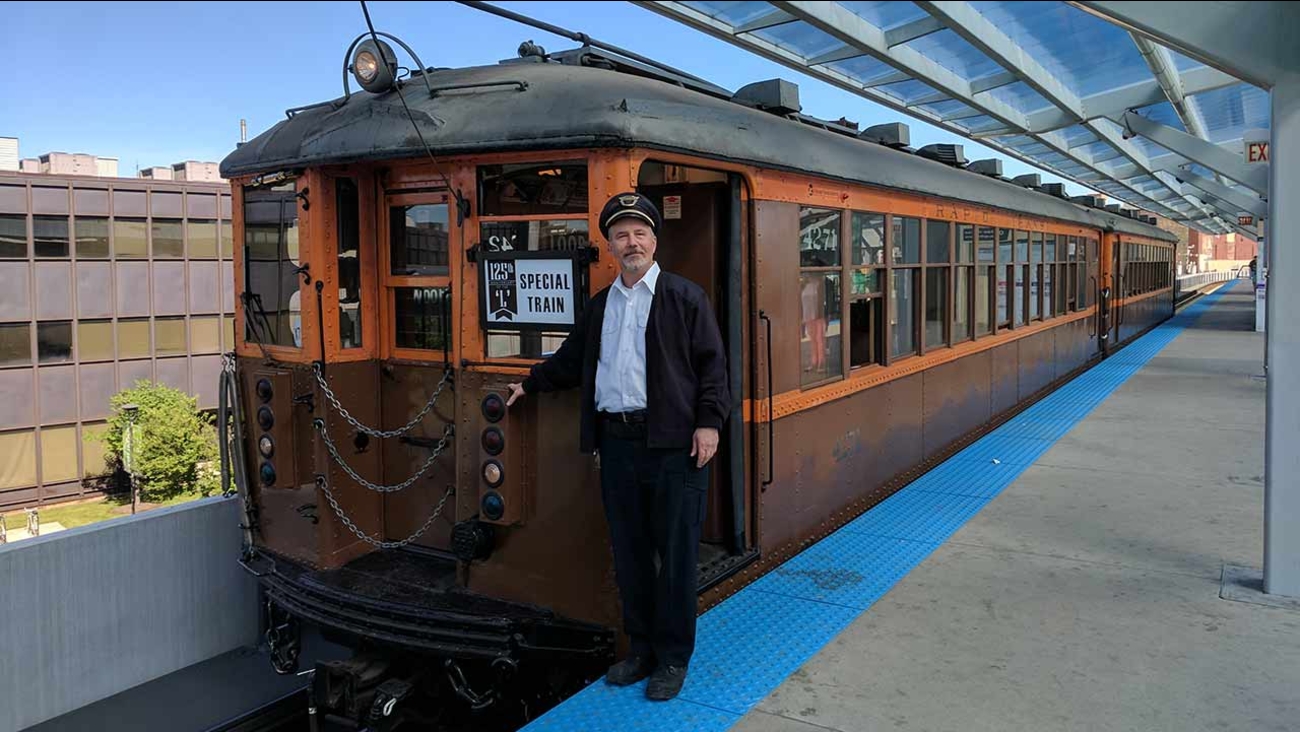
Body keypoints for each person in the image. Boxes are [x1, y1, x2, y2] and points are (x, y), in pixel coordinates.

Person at [504, 192, 731, 701]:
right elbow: (571, 360)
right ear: (610, 246)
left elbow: (713, 367)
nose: (632, 243)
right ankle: (642, 650)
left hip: (675, 445)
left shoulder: (684, 297)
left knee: (674, 558)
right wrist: (532, 383)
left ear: (655, 240)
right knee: (630, 555)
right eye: (622, 235)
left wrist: (709, 423)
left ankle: (673, 660)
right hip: (618, 443)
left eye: (640, 233)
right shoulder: (601, 306)